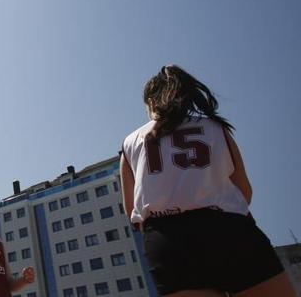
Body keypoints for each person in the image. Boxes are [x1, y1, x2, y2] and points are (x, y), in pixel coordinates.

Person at [120, 64, 294, 297]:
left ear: (151, 102)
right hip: (228, 230)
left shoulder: (130, 142)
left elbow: (131, 209)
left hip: (167, 242)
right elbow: (243, 190)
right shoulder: (215, 128)